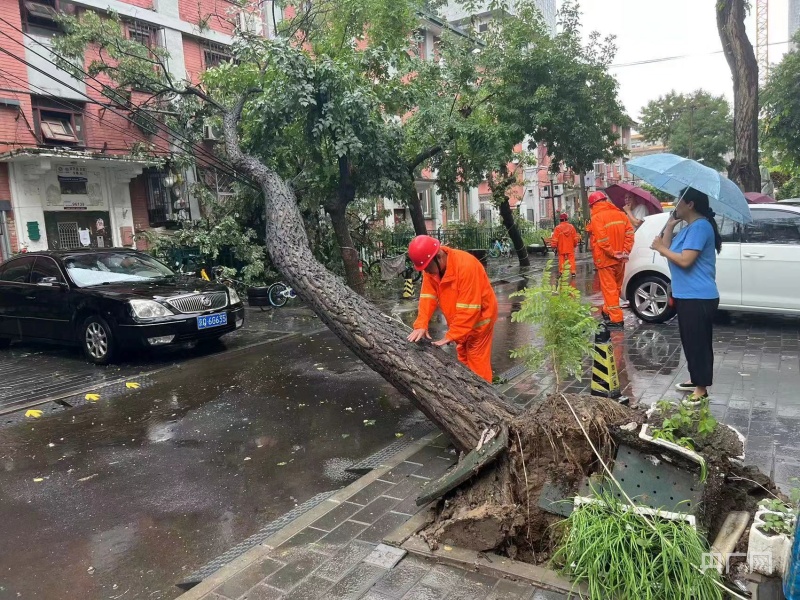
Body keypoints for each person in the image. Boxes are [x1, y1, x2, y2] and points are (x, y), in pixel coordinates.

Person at [650, 187, 721, 402]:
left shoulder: (700, 227)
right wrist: (670, 225)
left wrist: (661, 249)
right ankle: (695, 378)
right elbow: (669, 247)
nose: (674, 204)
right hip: (687, 294)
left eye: (677, 200)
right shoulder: (690, 227)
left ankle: (702, 388)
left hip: (698, 296)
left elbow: (684, 260)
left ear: (690, 204)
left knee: (698, 342)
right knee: (690, 340)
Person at [406, 235, 498, 382]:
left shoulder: (466, 266)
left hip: (480, 322)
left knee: (477, 366)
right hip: (460, 324)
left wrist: (451, 335)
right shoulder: (431, 267)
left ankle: (484, 401)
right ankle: (467, 394)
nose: (427, 272)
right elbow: (427, 296)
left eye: (428, 268)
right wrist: (421, 324)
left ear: (438, 256)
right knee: (463, 360)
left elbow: (470, 308)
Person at [586, 191, 634, 330]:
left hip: (606, 260)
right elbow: (630, 234)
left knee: (609, 289)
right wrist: (625, 251)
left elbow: (602, 240)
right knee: (616, 288)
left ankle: (616, 319)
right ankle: (607, 311)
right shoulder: (621, 215)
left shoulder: (597, 218)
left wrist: (613, 253)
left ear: (593, 205)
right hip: (620, 259)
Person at [551, 213, 580, 277]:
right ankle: (573, 272)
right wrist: (575, 245)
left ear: (560, 220)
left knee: (561, 259)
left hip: (561, 247)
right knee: (571, 259)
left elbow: (555, 239)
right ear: (566, 219)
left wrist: (554, 246)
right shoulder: (571, 227)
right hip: (570, 247)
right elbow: (575, 238)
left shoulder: (557, 228)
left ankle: (561, 272)